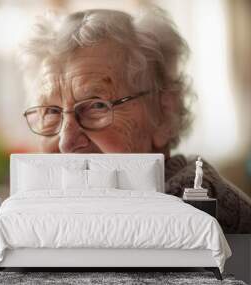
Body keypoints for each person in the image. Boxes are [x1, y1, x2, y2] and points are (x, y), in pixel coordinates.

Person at [18, 8, 251, 233]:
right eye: (51, 112)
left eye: (97, 105)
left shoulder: (190, 214)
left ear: (163, 114)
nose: (66, 142)